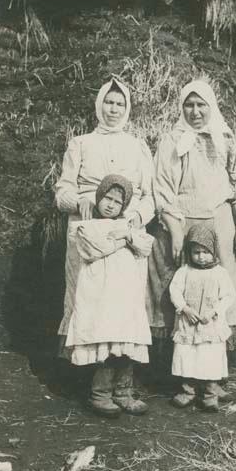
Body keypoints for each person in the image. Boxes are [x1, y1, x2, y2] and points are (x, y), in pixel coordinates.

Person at [147, 79, 236, 379]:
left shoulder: (226, 138)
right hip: (182, 221)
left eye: (201, 105)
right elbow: (163, 188)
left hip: (219, 222)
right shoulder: (173, 140)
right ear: (182, 108)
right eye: (189, 105)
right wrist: (174, 228)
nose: (195, 112)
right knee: (181, 288)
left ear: (211, 106)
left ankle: (213, 374)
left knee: (217, 290)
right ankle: (179, 373)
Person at [55, 77, 155, 404]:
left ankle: (123, 388)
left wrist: (136, 219)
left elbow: (149, 196)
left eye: (120, 103)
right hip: (88, 230)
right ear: (100, 105)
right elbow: (63, 191)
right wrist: (79, 202)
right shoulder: (81, 144)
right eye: (109, 102)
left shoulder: (137, 146)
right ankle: (95, 389)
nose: (114, 109)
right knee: (92, 306)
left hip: (125, 233)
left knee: (124, 310)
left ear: (128, 108)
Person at [60, 174, 153, 416]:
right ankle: (100, 394)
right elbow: (94, 249)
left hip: (124, 296)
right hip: (101, 296)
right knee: (106, 341)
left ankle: (123, 392)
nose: (111, 205)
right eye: (107, 199)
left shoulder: (127, 226)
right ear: (99, 198)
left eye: (117, 202)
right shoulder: (86, 224)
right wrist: (125, 240)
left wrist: (125, 235)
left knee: (126, 341)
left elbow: (145, 246)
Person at [170, 224, 235, 412]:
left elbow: (228, 296)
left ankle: (210, 394)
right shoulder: (184, 271)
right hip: (188, 323)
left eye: (205, 252)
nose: (200, 256)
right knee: (186, 356)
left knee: (210, 358)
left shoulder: (220, 273)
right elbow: (174, 290)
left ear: (213, 251)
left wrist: (214, 311)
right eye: (196, 252)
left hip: (210, 325)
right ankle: (187, 391)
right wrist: (184, 308)